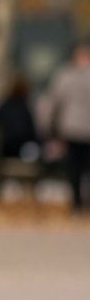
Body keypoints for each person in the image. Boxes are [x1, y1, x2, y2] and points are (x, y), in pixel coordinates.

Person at [41, 41, 90, 212]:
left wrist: (49, 126)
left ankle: (77, 202)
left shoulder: (66, 76)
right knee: (85, 166)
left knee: (75, 167)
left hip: (72, 127)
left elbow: (54, 102)